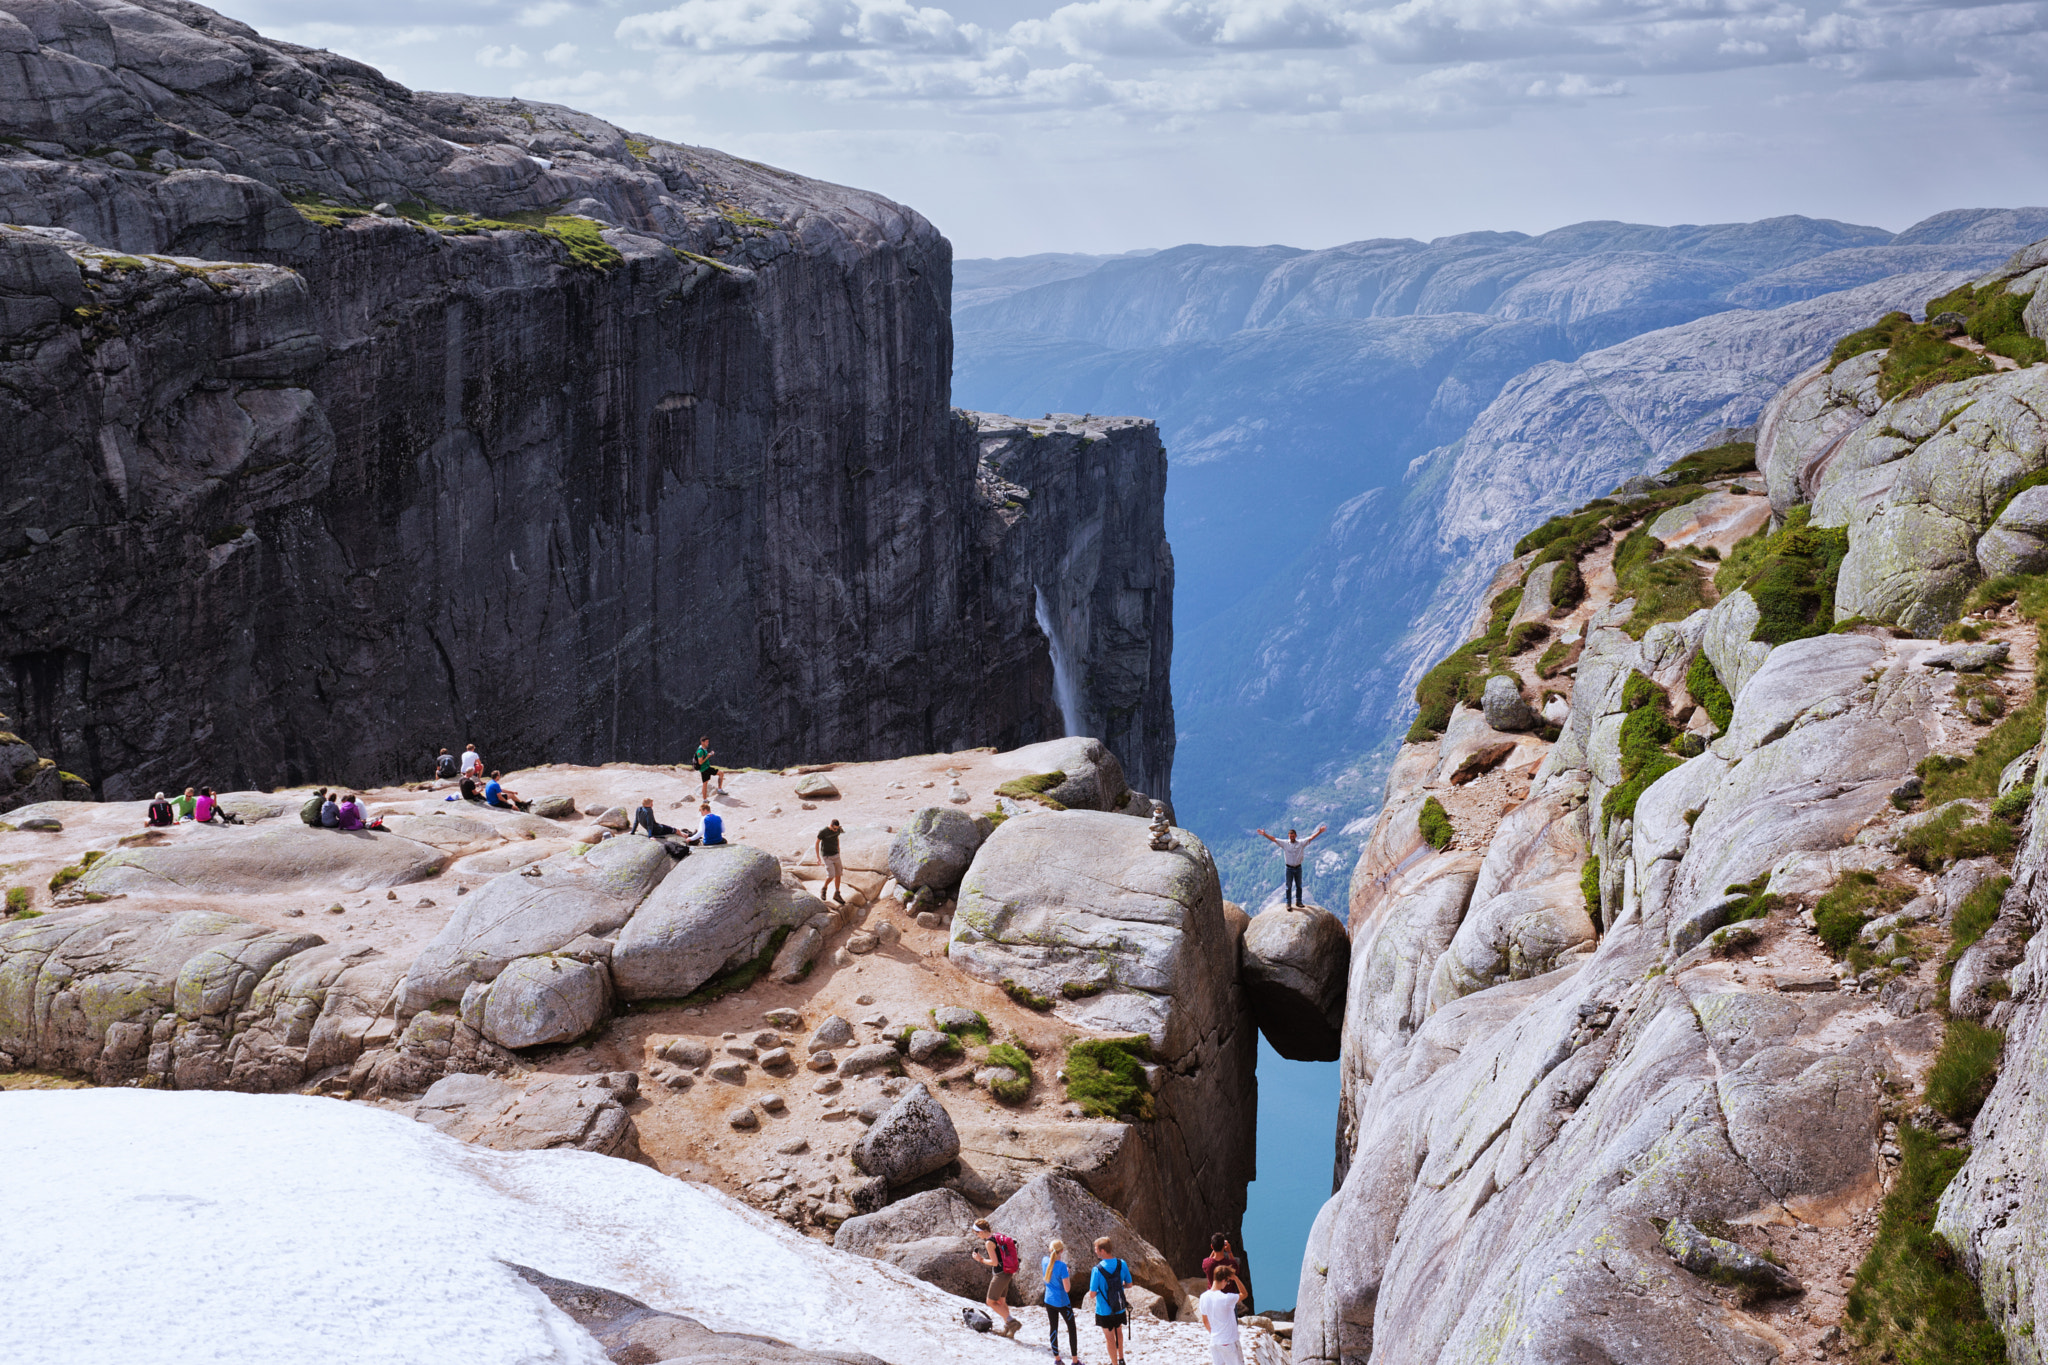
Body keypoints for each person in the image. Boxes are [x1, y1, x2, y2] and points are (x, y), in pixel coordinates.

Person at [970, 1218, 1022, 1338]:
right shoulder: (997, 1236)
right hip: (1007, 1272)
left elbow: (994, 1262)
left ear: (981, 1232)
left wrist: (980, 1259)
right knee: (1001, 1301)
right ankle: (1008, 1330)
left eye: (976, 1233)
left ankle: (1012, 1322)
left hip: (1000, 1274)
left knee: (990, 1302)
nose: (977, 1236)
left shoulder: (989, 1242)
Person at [1085, 1236, 1131, 1365]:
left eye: (1096, 1249)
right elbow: (1129, 1284)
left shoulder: (1097, 1270)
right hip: (1119, 1306)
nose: (1095, 1251)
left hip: (1104, 1310)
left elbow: (1092, 1294)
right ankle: (1121, 1359)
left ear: (1103, 1250)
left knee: (1109, 1337)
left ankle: (1114, 1363)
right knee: (1119, 1331)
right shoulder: (1122, 1263)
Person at [1256, 824, 1328, 907]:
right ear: (1288, 836)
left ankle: (1299, 902)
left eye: (1293, 836)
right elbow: (1274, 839)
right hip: (1289, 868)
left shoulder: (1301, 843)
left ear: (1296, 836)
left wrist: (1319, 832)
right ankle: (1288, 903)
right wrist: (1264, 834)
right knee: (1288, 886)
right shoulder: (1285, 843)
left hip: (1298, 867)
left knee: (1299, 886)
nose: (1292, 838)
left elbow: (1311, 838)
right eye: (1290, 836)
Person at [1197, 1264, 1246, 1365]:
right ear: (1224, 1280)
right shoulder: (1226, 1299)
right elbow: (1244, 1294)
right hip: (1228, 1341)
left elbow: (1205, 1321)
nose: (1227, 1284)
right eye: (1228, 1281)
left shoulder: (1203, 1297)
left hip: (1215, 1341)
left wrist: (1215, 1334)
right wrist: (1236, 1278)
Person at [1043, 1238, 1079, 1364]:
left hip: (1048, 1300)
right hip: (1062, 1302)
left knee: (1053, 1327)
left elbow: (1050, 1273)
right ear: (1062, 1251)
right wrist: (1067, 1274)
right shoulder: (1062, 1266)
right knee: (1072, 1329)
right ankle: (1075, 1361)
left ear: (1050, 1249)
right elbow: (1067, 1289)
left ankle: (1057, 1359)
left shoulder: (1044, 1261)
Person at [1200, 1234, 1251, 1312]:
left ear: (1212, 1246)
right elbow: (1236, 1269)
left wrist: (1214, 1250)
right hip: (1229, 1301)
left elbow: (1208, 1262)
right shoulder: (1230, 1265)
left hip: (1213, 1300)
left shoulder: (1206, 1263)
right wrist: (1229, 1252)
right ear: (1224, 1246)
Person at [813, 819, 846, 904]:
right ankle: (824, 888)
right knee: (831, 875)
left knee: (838, 874)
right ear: (830, 826)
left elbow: (837, 837)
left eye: (837, 829)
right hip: (827, 856)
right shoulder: (823, 831)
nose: (836, 830)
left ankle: (837, 893)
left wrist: (838, 849)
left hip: (836, 854)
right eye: (834, 828)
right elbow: (817, 843)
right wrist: (818, 857)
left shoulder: (838, 829)